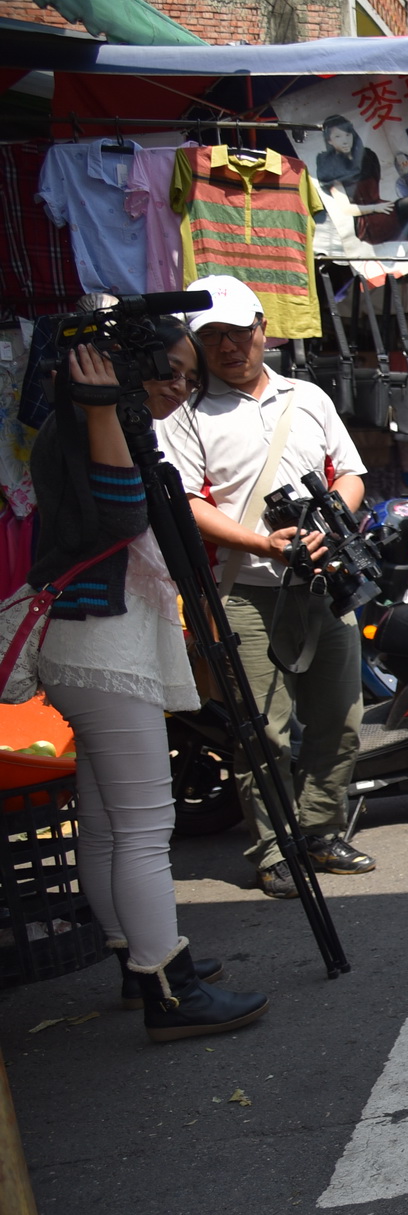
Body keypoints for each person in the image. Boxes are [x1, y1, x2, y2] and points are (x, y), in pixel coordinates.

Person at [29, 328, 268, 1037]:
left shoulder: (64, 429)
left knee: (105, 819)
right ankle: (171, 986)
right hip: (105, 644)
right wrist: (107, 411)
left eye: (186, 379)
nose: (178, 389)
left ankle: (140, 965)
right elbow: (124, 515)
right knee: (140, 827)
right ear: (117, 374)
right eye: (168, 373)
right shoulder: (90, 426)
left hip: (85, 643)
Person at [156, 275, 376, 899]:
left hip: (324, 584)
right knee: (263, 731)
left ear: (262, 329)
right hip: (245, 590)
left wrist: (329, 523)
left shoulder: (306, 397)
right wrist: (262, 543)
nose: (229, 347)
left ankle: (322, 830)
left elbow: (352, 473)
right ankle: (275, 849)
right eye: (213, 338)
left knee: (340, 717)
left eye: (238, 333)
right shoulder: (187, 413)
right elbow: (188, 501)